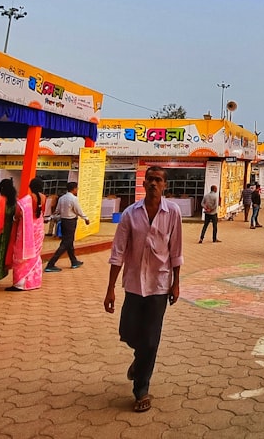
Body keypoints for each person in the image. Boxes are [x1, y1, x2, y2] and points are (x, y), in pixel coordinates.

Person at [104, 165, 182, 414]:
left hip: (159, 285)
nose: (153, 184)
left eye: (158, 180)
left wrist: (176, 282)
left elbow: (176, 251)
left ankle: (141, 389)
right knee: (128, 331)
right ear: (144, 183)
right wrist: (110, 289)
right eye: (149, 179)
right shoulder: (130, 214)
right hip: (134, 283)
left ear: (165, 185)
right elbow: (118, 251)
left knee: (151, 339)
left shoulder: (173, 213)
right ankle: (139, 362)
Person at [8, 177, 47, 291]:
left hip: (27, 229)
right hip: (38, 228)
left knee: (22, 255)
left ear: (30, 187)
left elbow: (19, 213)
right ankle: (33, 282)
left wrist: (15, 218)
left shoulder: (27, 199)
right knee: (35, 256)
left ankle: (20, 283)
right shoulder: (44, 198)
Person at [45, 181, 90, 272]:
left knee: (69, 242)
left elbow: (57, 210)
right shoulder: (74, 199)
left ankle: (73, 261)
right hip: (71, 221)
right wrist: (86, 218)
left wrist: (51, 217)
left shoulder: (62, 198)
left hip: (64, 221)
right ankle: (51, 263)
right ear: (74, 189)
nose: (77, 190)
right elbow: (78, 210)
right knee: (66, 243)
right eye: (76, 188)